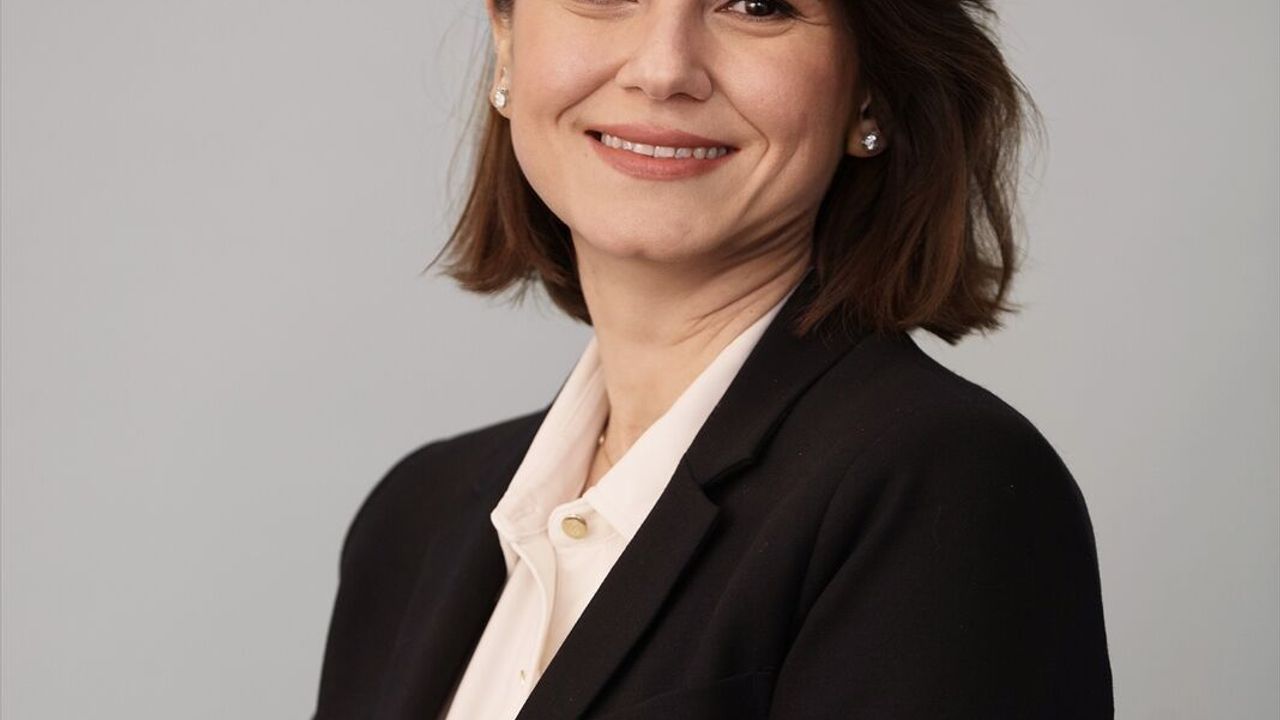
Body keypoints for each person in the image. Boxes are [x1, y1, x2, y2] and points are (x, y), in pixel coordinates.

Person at [314, 0, 1114, 717]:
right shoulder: (413, 522)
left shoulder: (941, 488)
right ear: (507, 39)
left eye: (758, 5)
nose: (663, 70)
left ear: (871, 87)